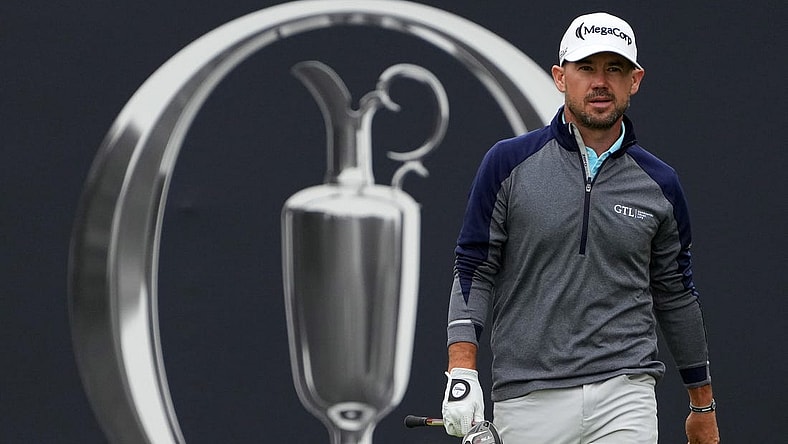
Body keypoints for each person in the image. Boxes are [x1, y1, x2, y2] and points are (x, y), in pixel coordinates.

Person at [440, 12, 720, 444]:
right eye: (586, 68)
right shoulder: (507, 163)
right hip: (528, 396)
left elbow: (676, 294)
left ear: (636, 80)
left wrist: (702, 405)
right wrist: (462, 369)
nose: (600, 82)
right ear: (559, 76)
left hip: (625, 394)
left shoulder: (660, 184)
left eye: (615, 69)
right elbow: (475, 267)